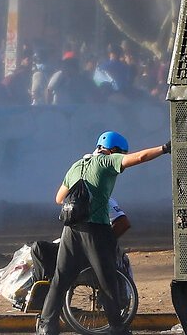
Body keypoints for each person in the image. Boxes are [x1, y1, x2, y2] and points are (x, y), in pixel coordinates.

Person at [37, 131, 171, 335]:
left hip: (70, 230)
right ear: (114, 150)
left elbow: (59, 198)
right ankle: (118, 328)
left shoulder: (77, 165)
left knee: (61, 278)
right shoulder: (106, 162)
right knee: (107, 280)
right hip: (95, 230)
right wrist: (164, 148)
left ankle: (47, 326)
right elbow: (140, 157)